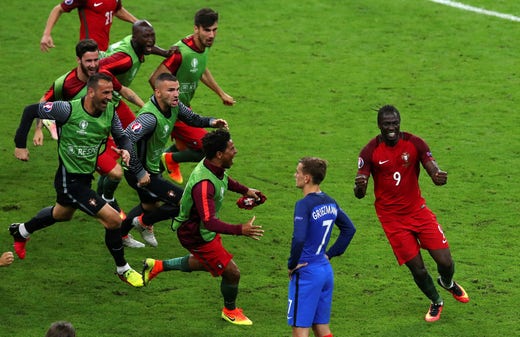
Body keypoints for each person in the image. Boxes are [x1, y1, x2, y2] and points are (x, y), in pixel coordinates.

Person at [11, 73, 149, 287]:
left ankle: (21, 231)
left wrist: (126, 150)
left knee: (61, 214)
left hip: (85, 178)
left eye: (111, 93)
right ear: (91, 92)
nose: (109, 97)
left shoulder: (110, 111)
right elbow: (30, 110)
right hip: (69, 181)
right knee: (113, 220)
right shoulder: (67, 110)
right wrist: (20, 144)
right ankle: (123, 269)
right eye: (105, 93)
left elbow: (122, 136)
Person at [353, 105, 470, 322]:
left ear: (400, 123)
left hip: (418, 211)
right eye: (387, 124)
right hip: (392, 219)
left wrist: (436, 175)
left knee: (445, 260)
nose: (391, 127)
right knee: (418, 269)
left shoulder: (414, 143)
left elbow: (431, 166)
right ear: (379, 125)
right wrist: (359, 186)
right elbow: (360, 192)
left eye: (394, 123)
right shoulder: (369, 151)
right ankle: (436, 301)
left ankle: (447, 282)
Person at [142, 129, 266, 326]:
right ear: (219, 154)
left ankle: (157, 266)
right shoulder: (204, 184)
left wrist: (245, 190)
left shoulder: (213, 167)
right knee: (232, 273)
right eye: (232, 148)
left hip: (203, 230)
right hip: (196, 234)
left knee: (208, 262)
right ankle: (230, 311)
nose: (236, 151)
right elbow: (209, 221)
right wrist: (239, 229)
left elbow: (224, 180)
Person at [32, 38, 145, 220]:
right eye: (88, 61)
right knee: (115, 175)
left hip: (98, 137)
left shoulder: (102, 77)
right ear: (78, 60)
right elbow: (44, 102)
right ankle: (109, 207)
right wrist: (38, 128)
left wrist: (144, 107)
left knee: (62, 213)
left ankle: (22, 230)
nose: (93, 65)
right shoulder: (66, 83)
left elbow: (123, 90)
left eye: (96, 60)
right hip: (78, 143)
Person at [120, 72, 228, 248]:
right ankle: (144, 223)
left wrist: (212, 122)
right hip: (139, 171)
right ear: (158, 93)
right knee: (187, 202)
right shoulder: (149, 117)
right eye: (170, 90)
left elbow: (192, 118)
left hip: (151, 168)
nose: (176, 94)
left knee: (149, 205)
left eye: (177, 89)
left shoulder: (174, 106)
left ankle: (121, 234)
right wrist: (139, 172)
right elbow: (126, 139)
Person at [149, 8, 235, 184]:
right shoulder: (181, 52)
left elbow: (201, 70)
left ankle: (159, 169)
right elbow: (154, 79)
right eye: (207, 30)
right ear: (196, 28)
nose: (211, 35)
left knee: (187, 147)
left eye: (214, 30)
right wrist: (174, 105)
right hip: (175, 111)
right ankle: (167, 162)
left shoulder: (202, 47)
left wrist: (221, 93)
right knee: (208, 148)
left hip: (184, 109)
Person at [287, 157, 356, 337]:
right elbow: (349, 229)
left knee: (300, 329)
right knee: (321, 327)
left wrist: (291, 264)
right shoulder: (330, 201)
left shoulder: (303, 205)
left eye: (298, 172)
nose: (295, 175)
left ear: (307, 178)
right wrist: (329, 254)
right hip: (325, 271)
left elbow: (299, 238)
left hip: (306, 272)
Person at [40, 0, 138, 52]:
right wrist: (46, 34)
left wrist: (137, 22)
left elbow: (117, 10)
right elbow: (58, 9)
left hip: (104, 50)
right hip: (88, 50)